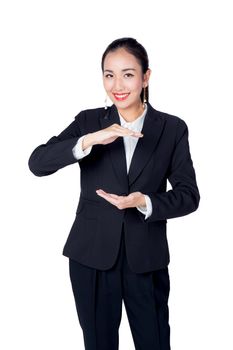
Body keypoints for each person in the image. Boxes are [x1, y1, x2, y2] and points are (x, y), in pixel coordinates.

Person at [28, 37, 200, 350]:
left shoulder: (172, 128)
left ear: (146, 77)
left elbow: (189, 195)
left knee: (155, 342)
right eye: (109, 74)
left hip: (146, 259)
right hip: (91, 256)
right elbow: (37, 163)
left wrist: (144, 201)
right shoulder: (89, 121)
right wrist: (89, 140)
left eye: (128, 74)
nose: (117, 84)